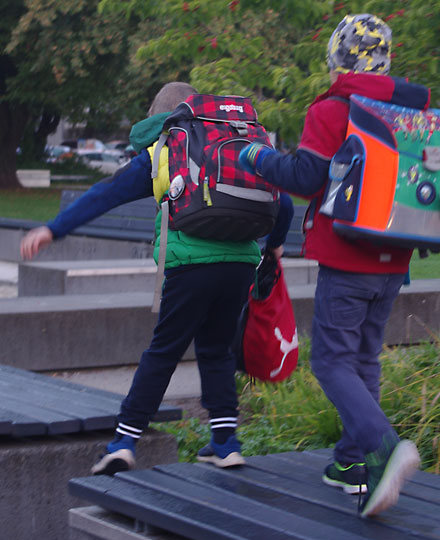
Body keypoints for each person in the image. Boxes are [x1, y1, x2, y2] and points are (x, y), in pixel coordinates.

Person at [21, 82, 294, 474]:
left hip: (189, 265)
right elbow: (282, 202)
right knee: (216, 349)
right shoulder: (238, 143)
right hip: (239, 264)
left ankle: (123, 441)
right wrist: (276, 247)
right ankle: (225, 441)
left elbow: (106, 193)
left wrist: (53, 229)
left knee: (164, 350)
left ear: (159, 115)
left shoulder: (165, 148)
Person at [239, 14, 426, 517]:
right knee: (363, 356)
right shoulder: (412, 106)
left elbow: (305, 176)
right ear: (386, 56)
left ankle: (385, 448)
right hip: (395, 254)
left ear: (337, 57)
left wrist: (257, 156)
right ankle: (350, 462)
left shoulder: (335, 106)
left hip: (348, 255)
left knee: (330, 361)